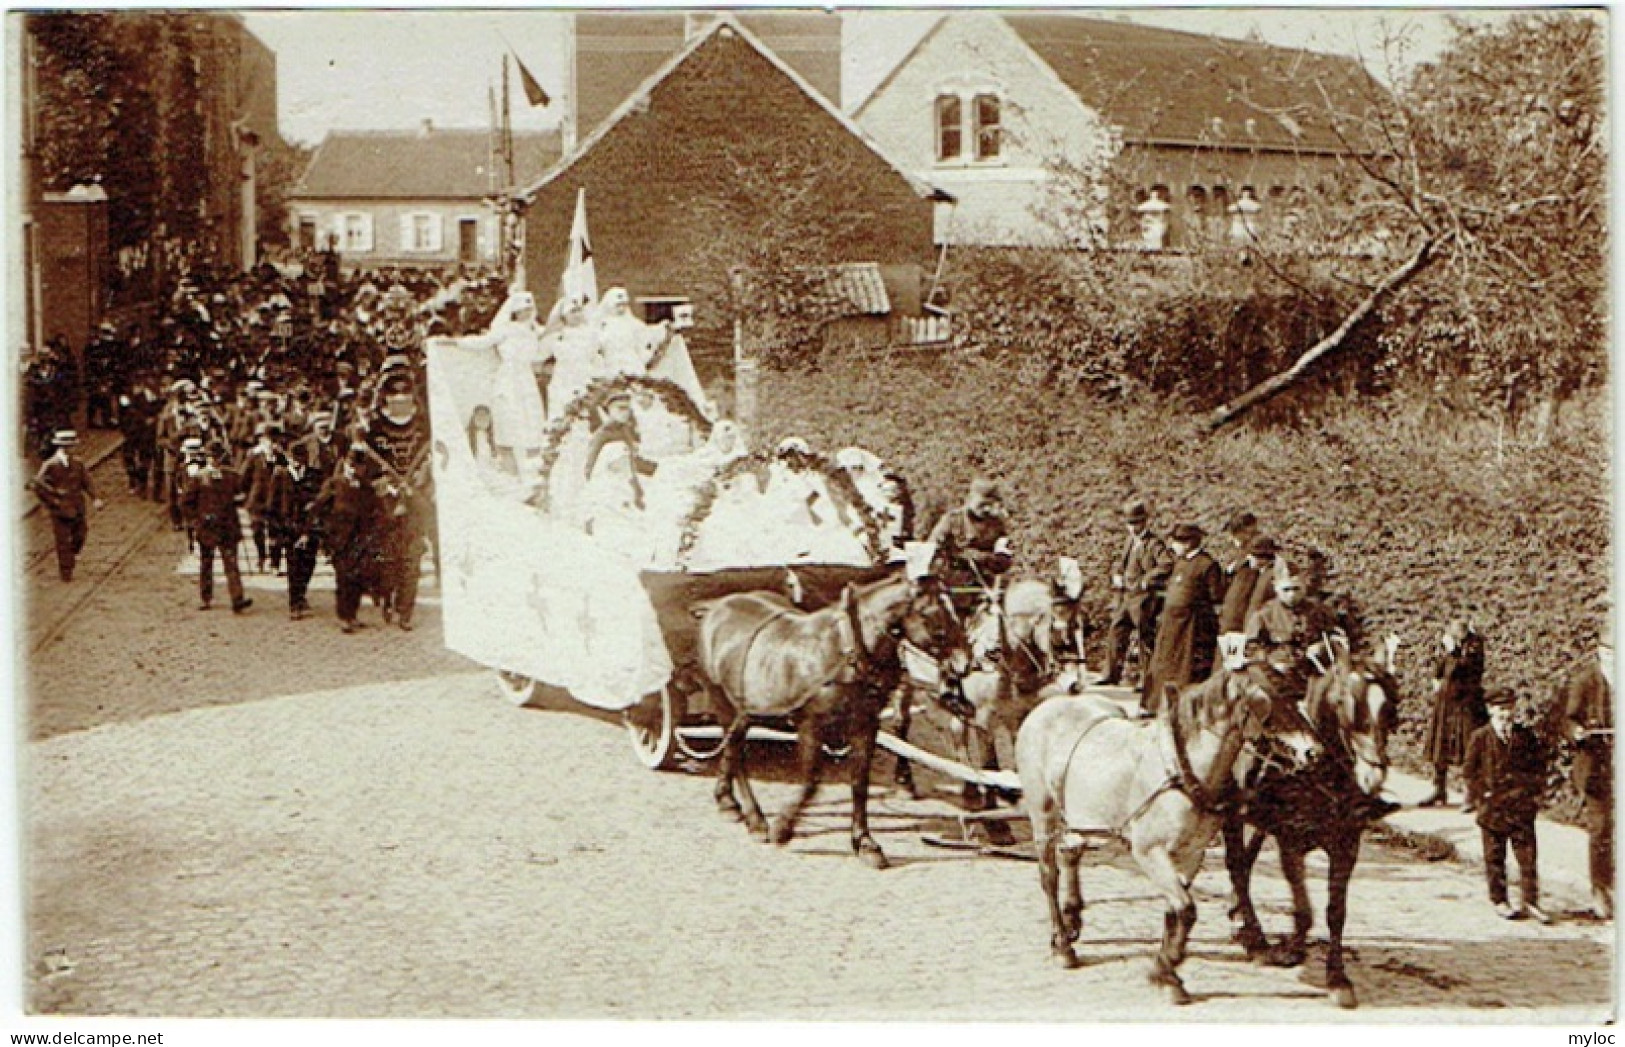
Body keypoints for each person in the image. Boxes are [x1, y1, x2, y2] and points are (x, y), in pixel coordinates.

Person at [1464, 688, 1551, 924]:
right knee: (1494, 857)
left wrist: (1532, 794)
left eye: (1510, 708)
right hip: (1493, 809)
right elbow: (1470, 773)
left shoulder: (1525, 736)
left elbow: (1538, 767)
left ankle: (1531, 901)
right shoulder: (1480, 738)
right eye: (1501, 708)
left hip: (1520, 807)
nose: (1506, 713)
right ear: (1491, 710)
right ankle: (1499, 900)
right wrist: (1483, 794)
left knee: (1527, 857)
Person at [1140, 522, 1226, 716]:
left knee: (1184, 668)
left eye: (1177, 542)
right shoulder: (1181, 562)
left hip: (1190, 626)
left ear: (1188, 543)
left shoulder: (1207, 565)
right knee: (1162, 664)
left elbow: (1215, 597)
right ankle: (1156, 705)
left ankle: (1182, 708)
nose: (1173, 546)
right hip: (1171, 625)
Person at [1243, 554, 1344, 711]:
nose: (1291, 595)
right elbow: (1251, 648)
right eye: (1286, 590)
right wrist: (1272, 662)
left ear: (1304, 587)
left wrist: (1323, 646)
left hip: (1312, 674)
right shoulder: (1264, 614)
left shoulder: (1316, 611)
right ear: (1276, 588)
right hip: (1277, 678)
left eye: (1296, 589)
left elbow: (1336, 637)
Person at [1560, 629, 1613, 920]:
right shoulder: (1586, 681)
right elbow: (1567, 719)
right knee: (1601, 827)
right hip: (1596, 766)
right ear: (1602, 654)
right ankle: (1600, 888)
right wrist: (1576, 732)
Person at [465, 291, 550, 471]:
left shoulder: (534, 331)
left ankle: (530, 466)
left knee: (530, 418)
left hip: (526, 378)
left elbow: (541, 353)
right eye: (522, 310)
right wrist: (458, 343)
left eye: (529, 309)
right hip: (509, 377)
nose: (526, 313)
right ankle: (508, 464)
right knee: (508, 417)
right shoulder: (506, 329)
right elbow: (484, 342)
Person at [1100, 499, 1171, 686]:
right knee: (1116, 631)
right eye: (1130, 523)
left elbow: (1166, 564)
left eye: (1137, 523)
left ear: (1145, 522)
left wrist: (1147, 579)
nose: (1133, 527)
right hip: (1127, 596)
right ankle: (1111, 674)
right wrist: (1117, 574)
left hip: (1144, 598)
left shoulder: (1154, 543)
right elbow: (1122, 564)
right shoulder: (1130, 542)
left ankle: (1146, 679)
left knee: (1144, 637)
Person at [1419, 620, 1489, 808]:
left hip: (1466, 706)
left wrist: (1453, 651)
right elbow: (1441, 669)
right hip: (1446, 704)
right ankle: (1439, 790)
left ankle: (1471, 794)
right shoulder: (1454, 647)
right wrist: (1436, 677)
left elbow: (1464, 669)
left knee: (1468, 748)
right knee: (1439, 748)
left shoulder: (1474, 647)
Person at [180, 441, 252, 614]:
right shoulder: (199, 477)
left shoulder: (232, 476)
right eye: (211, 457)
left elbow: (242, 494)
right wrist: (196, 521)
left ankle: (237, 599)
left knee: (231, 563)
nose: (214, 461)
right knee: (206, 563)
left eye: (217, 457)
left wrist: (238, 500)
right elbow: (186, 502)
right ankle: (206, 597)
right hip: (207, 527)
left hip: (228, 526)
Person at [927, 478, 1014, 618]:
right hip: (953, 586)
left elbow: (1004, 558)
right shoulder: (952, 520)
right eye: (982, 504)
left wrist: (995, 560)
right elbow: (931, 550)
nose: (986, 509)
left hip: (985, 587)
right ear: (970, 498)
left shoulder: (996, 525)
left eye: (991, 505)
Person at [30, 430, 104, 583]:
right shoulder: (50, 465)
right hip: (59, 510)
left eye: (71, 446)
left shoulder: (78, 463)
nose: (70, 449)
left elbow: (87, 482)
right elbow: (38, 486)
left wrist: (95, 498)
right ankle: (66, 571)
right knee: (62, 541)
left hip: (77, 506)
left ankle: (71, 555)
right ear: (59, 447)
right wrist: (52, 502)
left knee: (80, 534)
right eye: (66, 446)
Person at [538, 299, 601, 421]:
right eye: (573, 312)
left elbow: (596, 356)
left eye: (579, 311)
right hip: (563, 377)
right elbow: (540, 354)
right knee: (562, 407)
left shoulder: (591, 334)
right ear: (564, 315)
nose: (577, 315)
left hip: (585, 374)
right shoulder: (557, 335)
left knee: (583, 408)